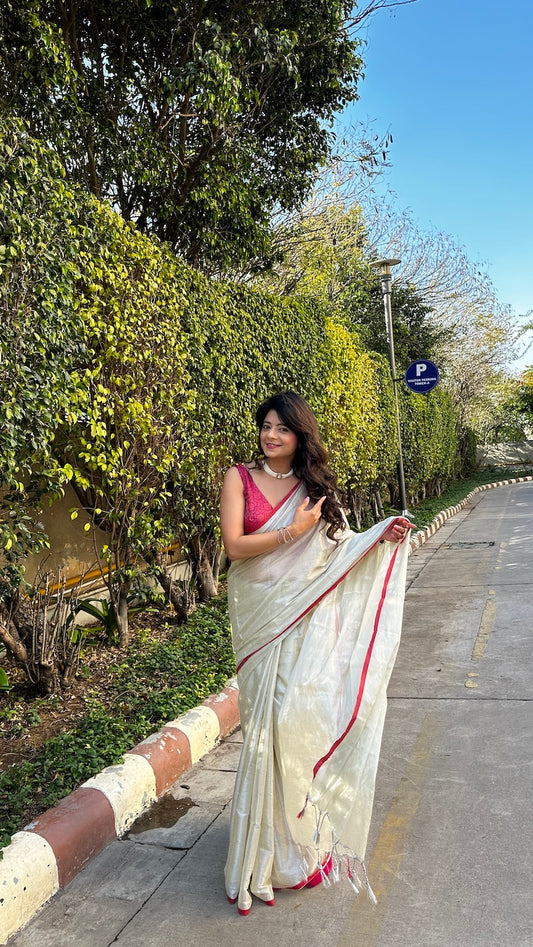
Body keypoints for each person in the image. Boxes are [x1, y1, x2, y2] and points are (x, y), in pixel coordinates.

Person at [220, 390, 412, 916]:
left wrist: (381, 536)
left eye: (283, 428)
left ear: (301, 436)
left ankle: (293, 846)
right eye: (265, 426)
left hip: (302, 625)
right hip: (260, 622)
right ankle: (260, 853)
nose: (271, 435)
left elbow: (338, 550)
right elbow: (234, 547)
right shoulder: (238, 478)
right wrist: (291, 531)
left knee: (295, 723)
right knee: (265, 729)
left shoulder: (312, 488)